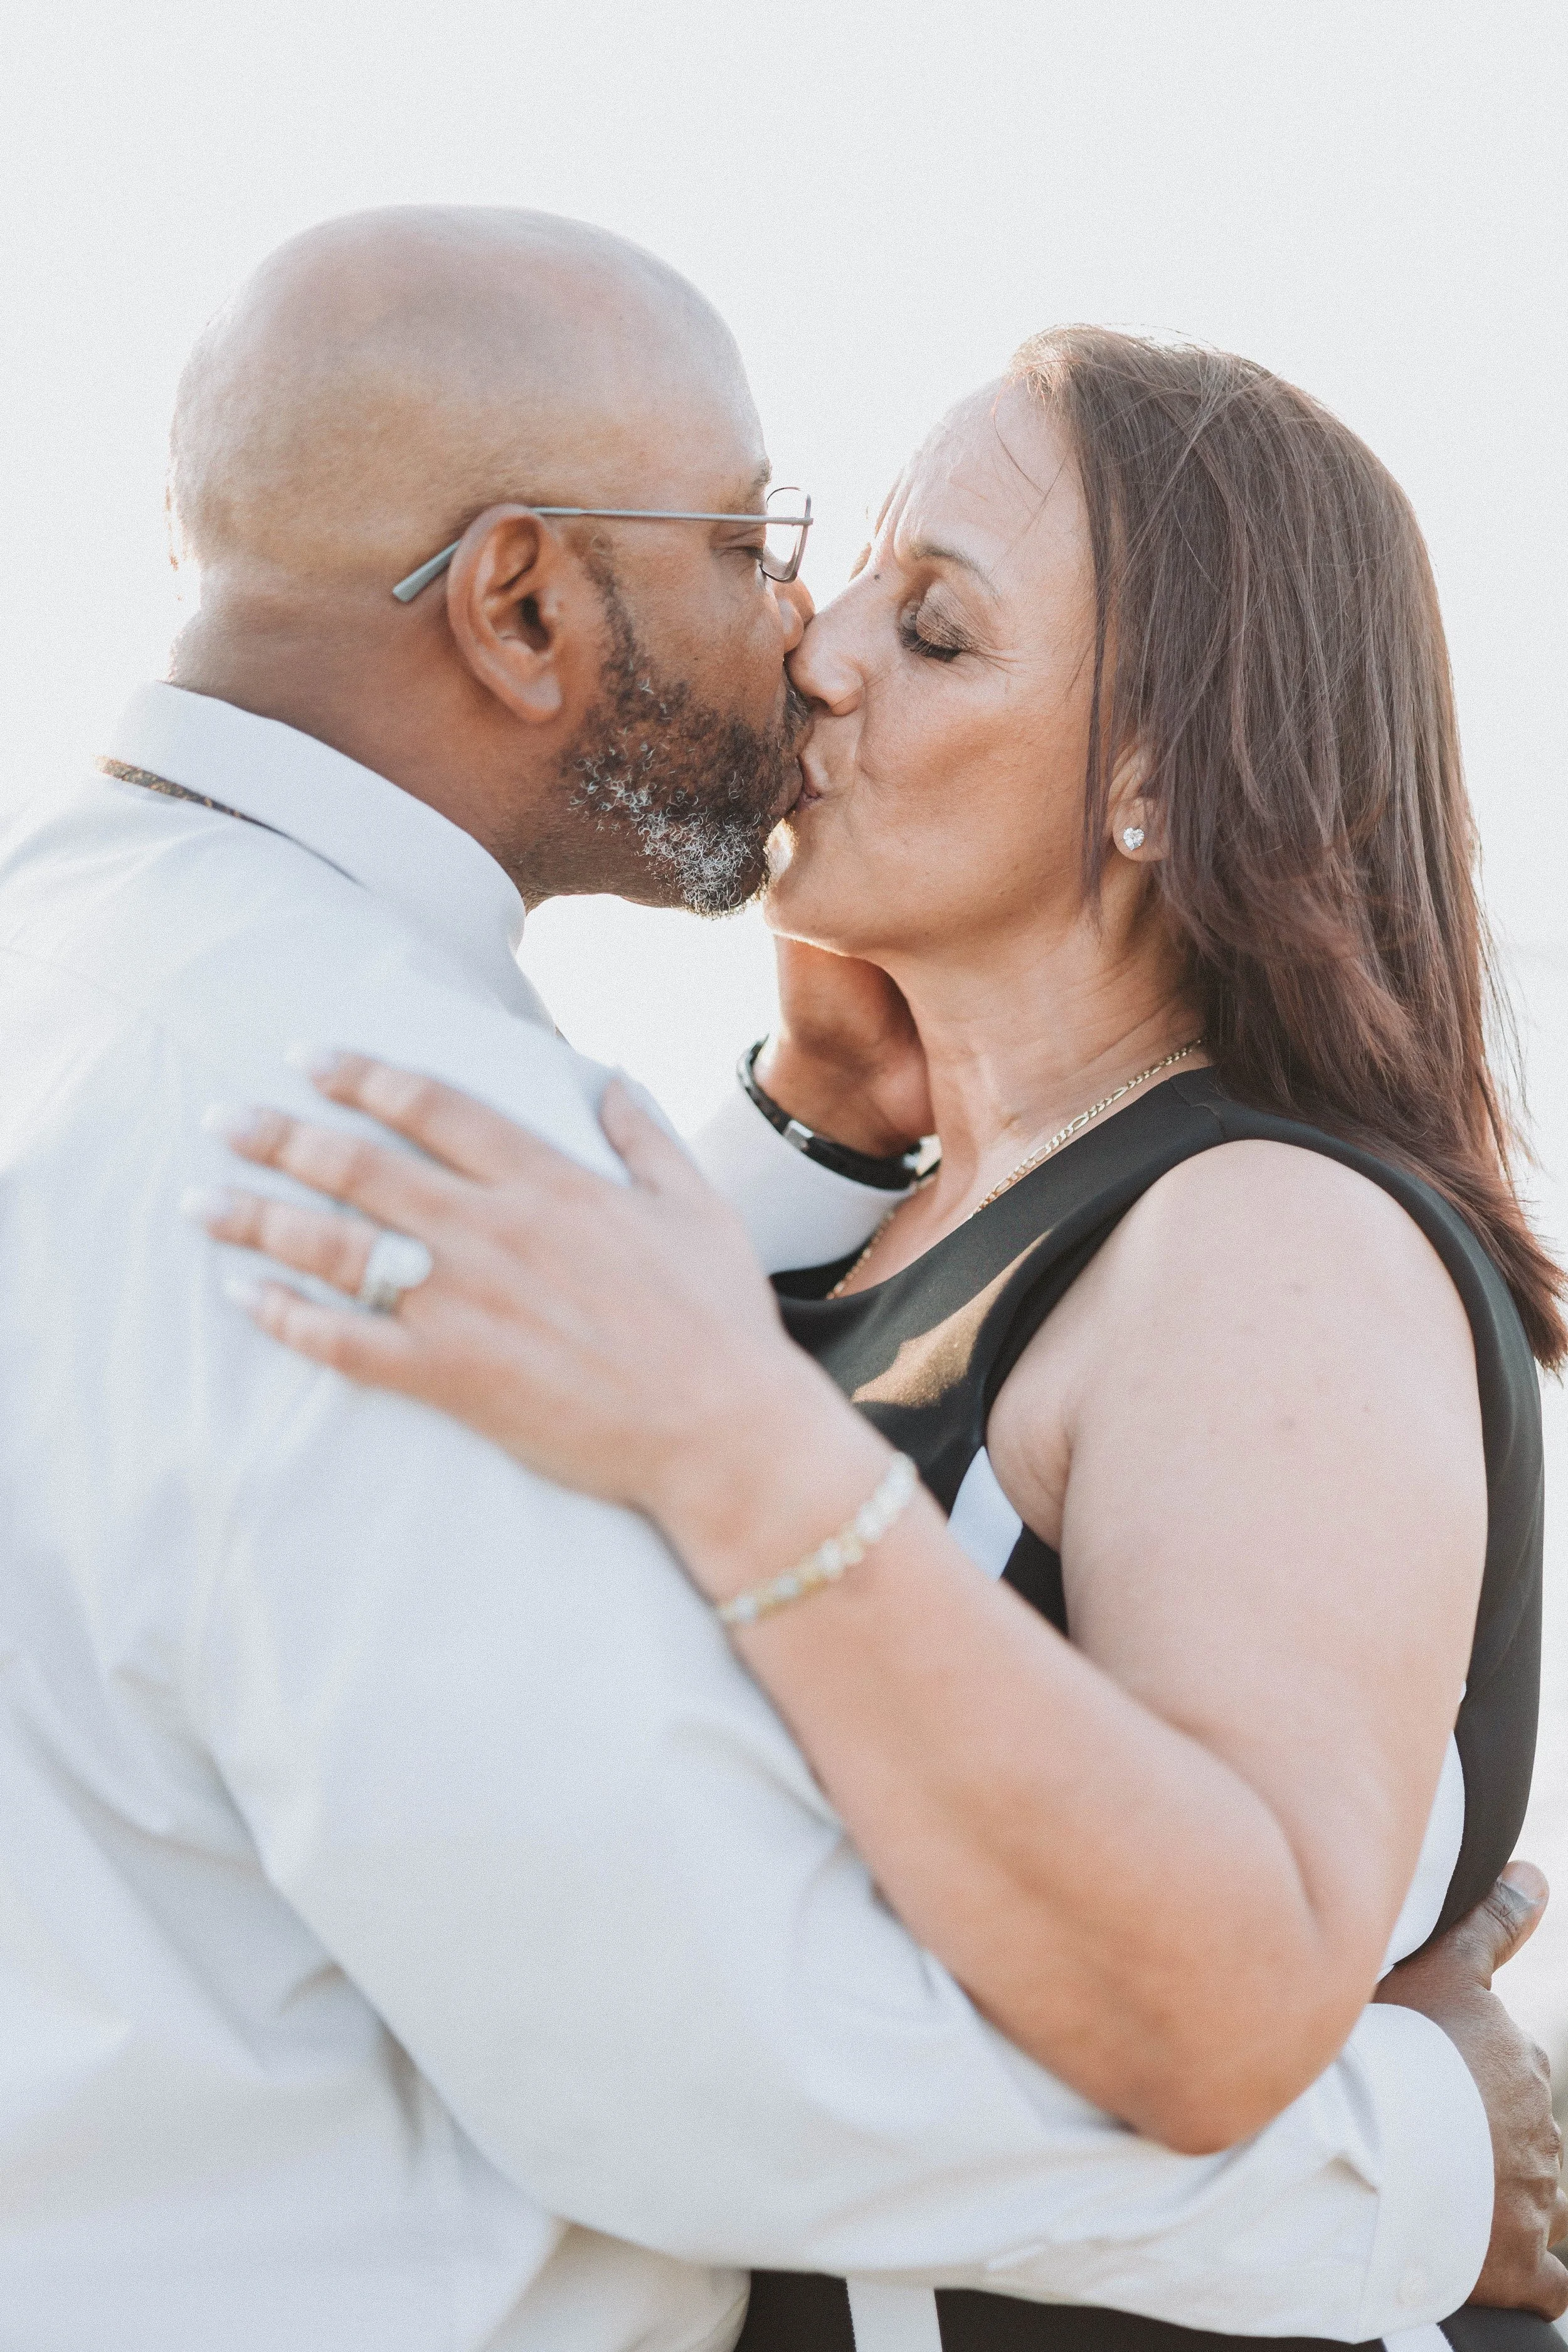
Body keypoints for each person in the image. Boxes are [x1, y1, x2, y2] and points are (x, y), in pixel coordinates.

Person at [0, 206, 1555, 2350]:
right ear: (513, 601)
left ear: (1151, 776)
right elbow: (665, 1868)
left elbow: (1206, 1967)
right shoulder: (605, 1168)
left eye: (932, 625)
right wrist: (819, 1133)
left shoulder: (1263, 1243)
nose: (813, 646)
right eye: (787, 562)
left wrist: (744, 1413)